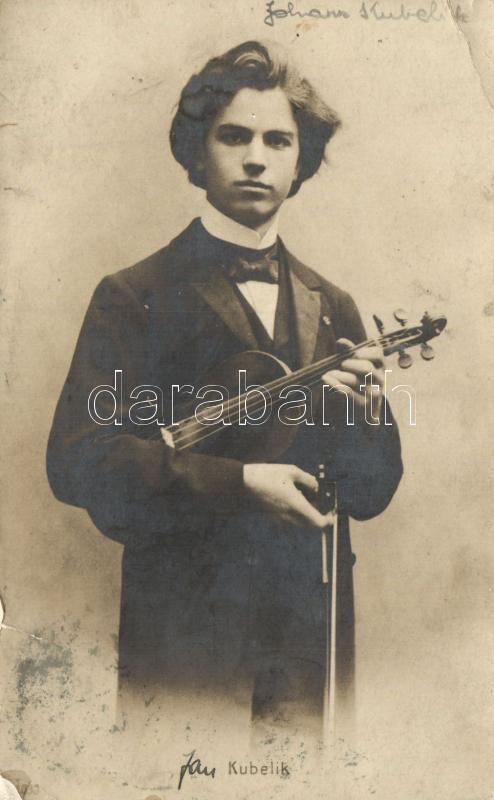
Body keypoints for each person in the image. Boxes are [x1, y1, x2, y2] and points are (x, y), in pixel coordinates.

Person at [46, 40, 403, 738]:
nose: (256, 159)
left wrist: (366, 415)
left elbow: (370, 492)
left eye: (278, 140)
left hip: (307, 639)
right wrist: (239, 483)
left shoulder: (334, 307)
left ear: (301, 159)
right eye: (234, 136)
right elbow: (79, 460)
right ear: (196, 150)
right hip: (184, 636)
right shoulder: (135, 294)